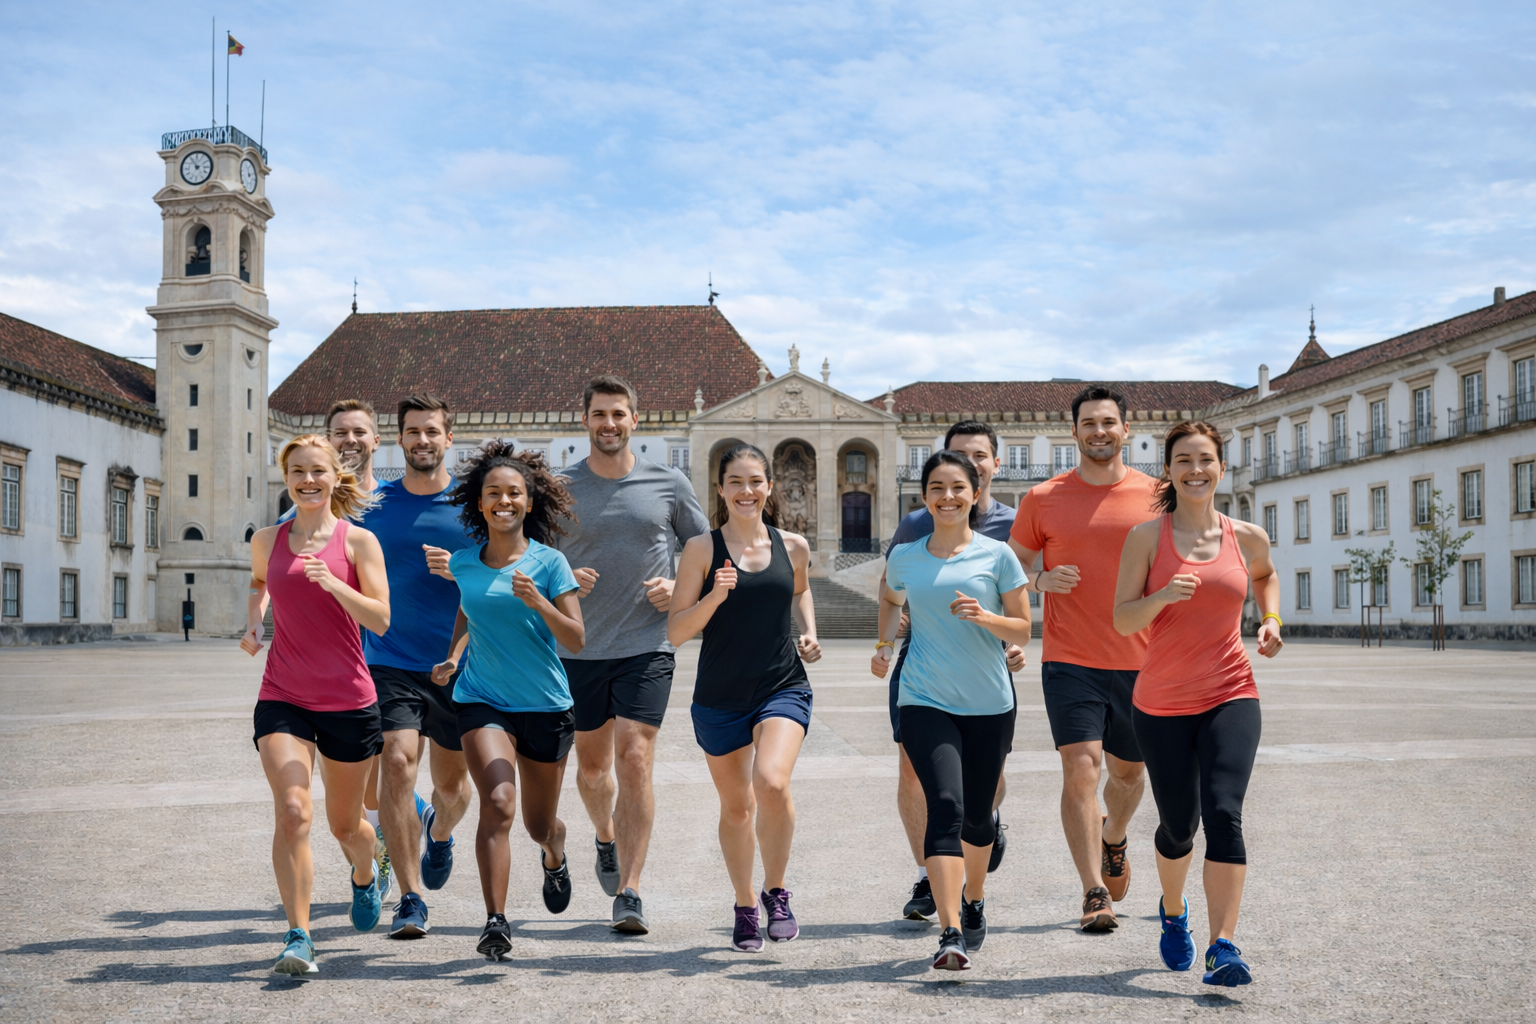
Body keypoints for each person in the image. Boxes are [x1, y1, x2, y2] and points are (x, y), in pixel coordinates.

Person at [1112, 420, 1281, 987]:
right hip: (1160, 703)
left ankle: (1223, 945)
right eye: (1183, 460)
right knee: (1179, 827)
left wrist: (1272, 619)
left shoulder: (1247, 535)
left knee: (1224, 814)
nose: (1195, 470)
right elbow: (1123, 617)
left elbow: (1266, 575)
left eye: (1205, 459)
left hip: (1232, 692)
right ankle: (1174, 909)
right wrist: (1161, 595)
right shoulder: (1146, 538)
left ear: (1221, 468)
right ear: (1169, 469)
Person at [555, 375, 710, 934]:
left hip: (648, 641)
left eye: (619, 414)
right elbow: (526, 557)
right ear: (585, 420)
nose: (609, 424)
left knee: (636, 756)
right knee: (594, 770)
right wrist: (560, 580)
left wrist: (681, 588)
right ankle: (604, 837)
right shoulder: (559, 487)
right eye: (600, 414)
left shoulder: (668, 483)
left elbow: (703, 548)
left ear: (635, 421)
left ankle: (631, 890)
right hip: (578, 646)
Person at [1008, 385, 1159, 932]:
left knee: (1128, 772)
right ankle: (1093, 890)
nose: (1099, 431)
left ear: (1126, 430)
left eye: (1109, 422)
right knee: (1080, 769)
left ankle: (1113, 835)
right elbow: (1012, 569)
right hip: (1070, 660)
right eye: (1089, 423)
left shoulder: (1159, 495)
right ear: (1073, 433)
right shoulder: (1043, 498)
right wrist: (1041, 579)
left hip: (1144, 660)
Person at [875, 451, 1032, 971]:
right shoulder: (905, 556)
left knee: (978, 817)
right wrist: (883, 643)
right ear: (924, 496)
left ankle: (974, 897)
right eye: (937, 487)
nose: (948, 496)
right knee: (944, 804)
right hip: (924, 696)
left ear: (974, 492)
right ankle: (949, 933)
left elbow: (1024, 628)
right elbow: (890, 595)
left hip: (989, 701)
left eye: (958, 487)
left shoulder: (998, 555)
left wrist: (987, 618)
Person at [428, 442, 585, 961]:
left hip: (545, 703)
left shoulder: (551, 562)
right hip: (482, 699)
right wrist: (453, 657)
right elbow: (467, 614)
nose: (503, 501)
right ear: (479, 503)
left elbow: (576, 640)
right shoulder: (465, 564)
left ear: (529, 502)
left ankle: (555, 854)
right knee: (498, 804)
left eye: (513, 493)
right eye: (493, 492)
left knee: (539, 824)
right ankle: (496, 920)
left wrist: (539, 600)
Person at [240, 435, 390, 976]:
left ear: (334, 478)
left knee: (346, 827)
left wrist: (334, 584)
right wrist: (256, 618)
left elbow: (380, 618)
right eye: (297, 471)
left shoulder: (358, 543)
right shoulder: (266, 539)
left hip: (350, 701)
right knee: (293, 811)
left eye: (317, 471)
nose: (308, 479)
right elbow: (260, 581)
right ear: (286, 478)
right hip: (283, 696)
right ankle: (299, 935)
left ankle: (366, 872)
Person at [668, 443, 822, 952]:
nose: (746, 490)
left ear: (770, 487)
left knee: (772, 783)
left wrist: (809, 630)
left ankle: (776, 891)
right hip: (720, 694)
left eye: (755, 480)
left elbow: (799, 589)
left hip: (782, 683)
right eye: (735, 481)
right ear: (720, 489)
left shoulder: (793, 545)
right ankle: (743, 905)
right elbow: (676, 632)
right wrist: (714, 595)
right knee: (737, 808)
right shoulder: (701, 550)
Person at [365, 394, 477, 940]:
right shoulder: (374, 506)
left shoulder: (475, 507)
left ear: (449, 438)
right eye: (413, 432)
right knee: (396, 764)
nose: (422, 441)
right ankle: (410, 898)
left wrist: (461, 572)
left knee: (453, 790)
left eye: (432, 431)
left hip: (458, 665)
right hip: (390, 660)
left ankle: (440, 833)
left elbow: (507, 576)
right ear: (400, 439)